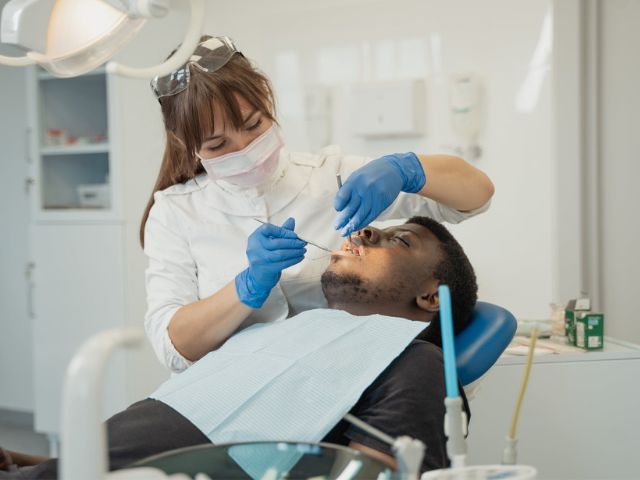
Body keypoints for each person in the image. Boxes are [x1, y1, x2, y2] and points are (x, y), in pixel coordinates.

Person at [1, 216, 477, 478]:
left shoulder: (414, 363)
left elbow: (380, 473)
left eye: (401, 240)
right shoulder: (277, 331)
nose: (365, 231)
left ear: (432, 297)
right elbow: (140, 447)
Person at [142, 35, 494, 373]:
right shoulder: (175, 213)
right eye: (218, 146)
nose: (244, 151)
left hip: (331, 385)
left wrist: (408, 168)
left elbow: (475, 197)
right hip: (225, 394)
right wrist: (246, 287)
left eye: (253, 125)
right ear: (182, 141)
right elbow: (174, 349)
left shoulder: (333, 177)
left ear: (265, 97)